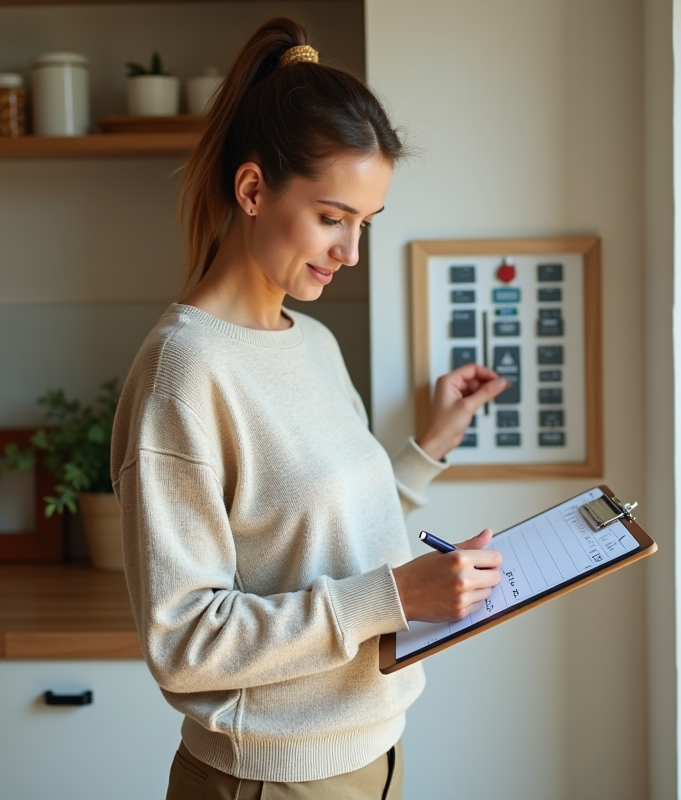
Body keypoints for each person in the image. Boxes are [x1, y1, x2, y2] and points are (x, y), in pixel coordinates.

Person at [110, 17, 508, 800]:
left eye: (365, 224)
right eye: (333, 218)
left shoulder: (313, 341)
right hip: (272, 783)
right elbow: (185, 640)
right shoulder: (183, 372)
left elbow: (324, 535)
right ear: (253, 188)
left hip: (376, 758)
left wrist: (428, 446)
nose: (351, 253)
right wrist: (398, 596)